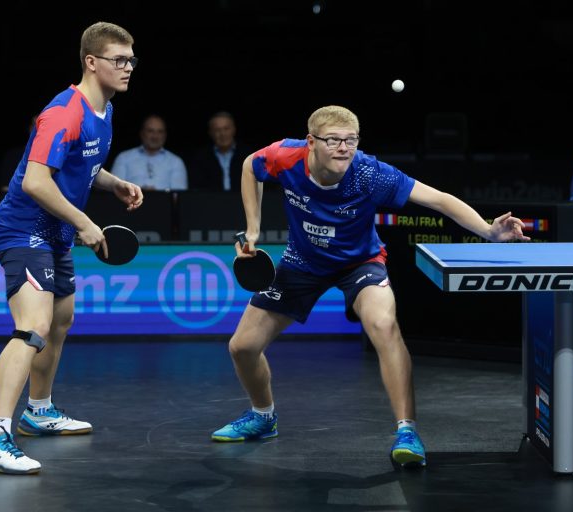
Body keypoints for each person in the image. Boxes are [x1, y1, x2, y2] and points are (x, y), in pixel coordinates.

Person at [210, 105, 529, 468]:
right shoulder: (286, 157)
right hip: (302, 262)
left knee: (384, 325)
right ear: (311, 142)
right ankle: (263, 418)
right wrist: (252, 228)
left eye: (351, 140)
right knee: (242, 346)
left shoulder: (369, 173)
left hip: (358, 263)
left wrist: (488, 231)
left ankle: (407, 431)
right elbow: (251, 165)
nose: (344, 148)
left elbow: (438, 199)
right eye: (333, 141)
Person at [0, 21, 143, 475]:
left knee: (61, 321)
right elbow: (34, 179)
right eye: (118, 60)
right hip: (23, 230)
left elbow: (81, 165)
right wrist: (86, 223)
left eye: (131, 60)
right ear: (91, 62)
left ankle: (38, 410)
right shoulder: (64, 112)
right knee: (34, 326)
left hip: (55, 233)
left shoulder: (104, 110)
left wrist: (113, 183)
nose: (128, 68)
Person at [110, 114, 187, 190]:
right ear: (142, 133)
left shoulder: (176, 162)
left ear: (165, 135)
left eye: (160, 132)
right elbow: (115, 190)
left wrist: (156, 196)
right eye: (150, 131)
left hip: (163, 202)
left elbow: (179, 196)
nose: (155, 136)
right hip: (130, 202)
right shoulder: (124, 158)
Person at [186, 111, 252, 192]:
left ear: (234, 129)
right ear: (210, 133)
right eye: (217, 130)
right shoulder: (200, 159)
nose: (222, 134)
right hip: (211, 202)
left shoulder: (249, 155)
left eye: (226, 129)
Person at [0, 115, 37, 192]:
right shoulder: (13, 155)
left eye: (43, 125)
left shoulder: (57, 157)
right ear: (29, 129)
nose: (38, 129)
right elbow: (5, 187)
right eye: (35, 125)